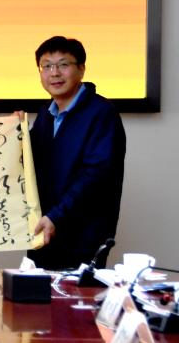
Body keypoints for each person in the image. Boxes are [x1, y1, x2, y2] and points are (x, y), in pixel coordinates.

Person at [29, 36, 126, 270]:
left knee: (76, 294)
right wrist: (12, 134)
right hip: (43, 233)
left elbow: (96, 177)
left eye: (63, 64)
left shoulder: (101, 114)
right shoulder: (45, 114)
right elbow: (30, 164)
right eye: (46, 66)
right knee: (36, 292)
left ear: (81, 69)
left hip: (82, 238)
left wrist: (57, 216)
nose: (54, 73)